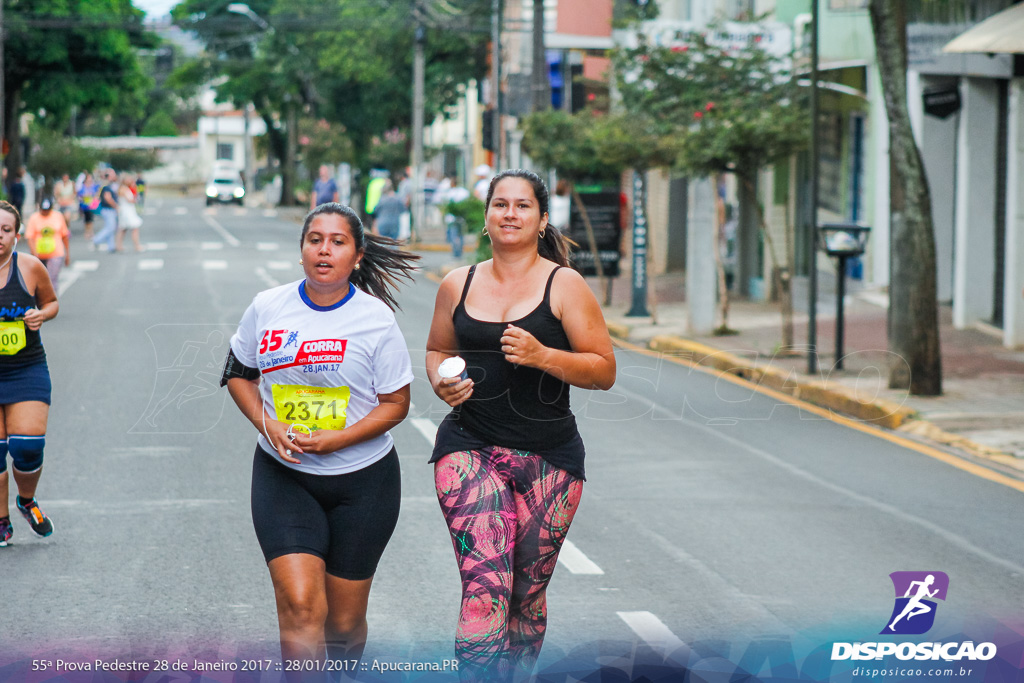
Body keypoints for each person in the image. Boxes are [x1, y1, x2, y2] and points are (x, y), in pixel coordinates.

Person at [425, 169, 617, 682]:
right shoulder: (457, 283)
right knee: (485, 586)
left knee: (525, 596)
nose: (510, 214)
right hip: (469, 447)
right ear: (486, 217)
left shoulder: (565, 285)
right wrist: (441, 383)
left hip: (550, 457)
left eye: (523, 206)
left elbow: (603, 370)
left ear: (542, 219)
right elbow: (437, 349)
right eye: (500, 204)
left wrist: (543, 355)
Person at [221, 202, 420, 668]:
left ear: (357, 255)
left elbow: (397, 405)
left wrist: (336, 440)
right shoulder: (268, 306)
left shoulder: (376, 320)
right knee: (301, 606)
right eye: (315, 240)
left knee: (344, 625)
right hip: (284, 475)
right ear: (302, 250)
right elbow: (237, 373)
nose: (324, 250)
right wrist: (269, 425)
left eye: (338, 241)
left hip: (363, 482)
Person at [0, 200, 59, 547]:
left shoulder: (31, 267)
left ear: (17, 235)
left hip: (26, 369)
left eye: (5, 230)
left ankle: (25, 500)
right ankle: (1, 520)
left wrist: (42, 315)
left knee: (26, 447)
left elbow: (52, 302)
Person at [24, 198, 71, 290]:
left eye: (47, 210)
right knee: (39, 281)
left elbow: (65, 236)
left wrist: (67, 254)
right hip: (39, 255)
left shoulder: (58, 216)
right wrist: (34, 254)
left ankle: (52, 302)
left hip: (56, 254)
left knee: (51, 280)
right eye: (43, 210)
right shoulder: (34, 217)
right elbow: (30, 237)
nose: (45, 212)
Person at [93, 169, 119, 253]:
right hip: (108, 209)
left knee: (110, 227)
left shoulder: (107, 184)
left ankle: (111, 246)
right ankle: (96, 239)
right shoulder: (107, 185)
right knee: (110, 228)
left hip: (107, 209)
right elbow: (108, 198)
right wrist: (116, 206)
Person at [116, 173, 144, 253]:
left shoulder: (126, 188)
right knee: (134, 228)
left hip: (128, 210)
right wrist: (135, 198)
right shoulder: (123, 189)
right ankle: (137, 246)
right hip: (126, 211)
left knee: (123, 229)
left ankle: (119, 245)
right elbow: (130, 200)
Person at [77, 172, 101, 241]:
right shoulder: (83, 186)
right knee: (86, 219)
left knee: (91, 219)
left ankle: (90, 231)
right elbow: (80, 194)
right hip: (84, 205)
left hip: (92, 204)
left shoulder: (93, 186)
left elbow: (97, 192)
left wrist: (96, 197)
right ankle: (87, 231)